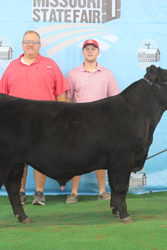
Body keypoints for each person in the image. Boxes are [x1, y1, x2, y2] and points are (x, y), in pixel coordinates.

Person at [0, 30, 69, 206]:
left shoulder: (50, 65)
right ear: (22, 45)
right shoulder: (12, 67)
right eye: (27, 41)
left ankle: (39, 193)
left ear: (39, 45)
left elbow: (61, 94)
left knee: (41, 158)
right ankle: (20, 192)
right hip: (17, 124)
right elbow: (0, 96)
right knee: (18, 159)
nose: (30, 44)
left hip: (45, 123)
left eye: (34, 42)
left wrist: (60, 119)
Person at [64, 39, 120, 204]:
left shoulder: (107, 73)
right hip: (79, 122)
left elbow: (115, 98)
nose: (90, 51)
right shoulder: (73, 74)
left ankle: (102, 191)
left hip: (101, 122)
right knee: (76, 156)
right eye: (87, 49)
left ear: (98, 52)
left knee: (102, 157)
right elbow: (67, 99)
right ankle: (73, 193)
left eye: (93, 49)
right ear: (83, 52)